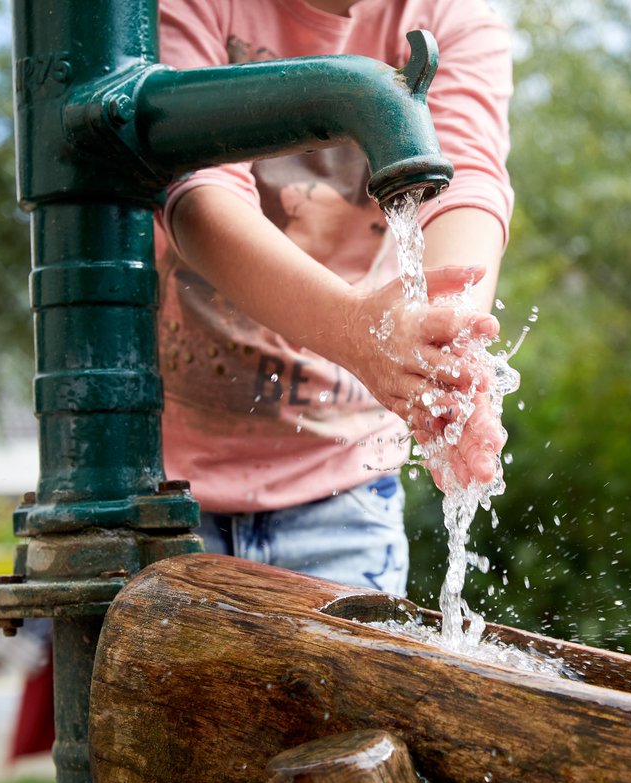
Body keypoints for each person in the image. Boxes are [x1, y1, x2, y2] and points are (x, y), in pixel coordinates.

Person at [153, 0, 515, 596]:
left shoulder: (453, 14)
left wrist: (450, 352)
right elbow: (196, 189)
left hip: (344, 485)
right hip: (163, 489)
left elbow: (464, 180)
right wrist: (355, 331)